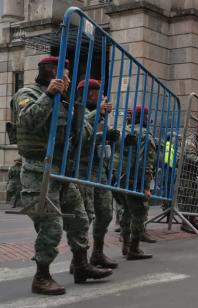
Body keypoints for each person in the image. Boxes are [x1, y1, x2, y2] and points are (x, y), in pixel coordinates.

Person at [16, 56, 112, 295]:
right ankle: (41, 276)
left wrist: (92, 116)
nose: (68, 80)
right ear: (52, 74)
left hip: (62, 173)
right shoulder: (27, 93)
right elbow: (28, 121)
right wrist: (48, 96)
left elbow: (84, 134)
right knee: (52, 226)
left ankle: (80, 265)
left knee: (80, 219)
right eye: (66, 75)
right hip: (38, 171)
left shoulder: (66, 101)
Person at [72, 79, 119, 270]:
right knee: (85, 217)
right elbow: (78, 133)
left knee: (106, 213)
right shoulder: (77, 111)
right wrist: (98, 112)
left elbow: (100, 139)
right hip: (82, 170)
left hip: (100, 171)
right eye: (94, 92)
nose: (99, 96)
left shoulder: (101, 117)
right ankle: (78, 260)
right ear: (84, 94)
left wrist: (114, 137)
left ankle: (97, 253)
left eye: (100, 92)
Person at [113, 105, 156, 259]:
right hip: (134, 179)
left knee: (125, 211)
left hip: (117, 178)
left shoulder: (121, 131)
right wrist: (145, 186)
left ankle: (125, 245)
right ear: (144, 118)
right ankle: (134, 248)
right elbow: (146, 163)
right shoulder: (145, 135)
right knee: (139, 213)